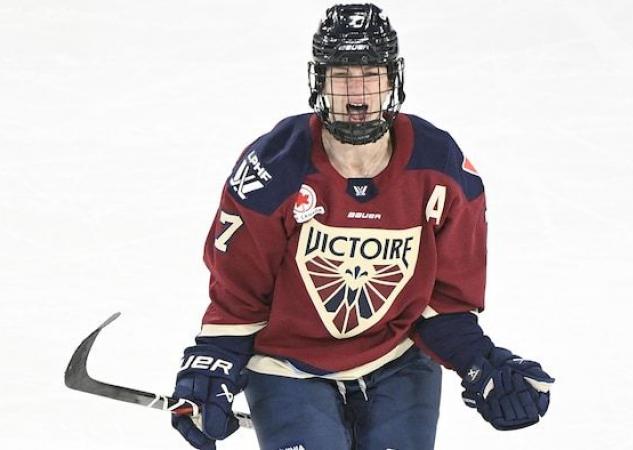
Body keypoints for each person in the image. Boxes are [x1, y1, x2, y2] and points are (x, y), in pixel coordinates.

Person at [171, 4, 554, 450]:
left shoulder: (442, 170)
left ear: (393, 80)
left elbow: (442, 304)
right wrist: (210, 371)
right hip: (286, 364)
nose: (357, 95)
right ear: (318, 83)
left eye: (371, 74)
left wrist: (483, 364)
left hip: (398, 359)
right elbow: (238, 302)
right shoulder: (272, 171)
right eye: (341, 76)